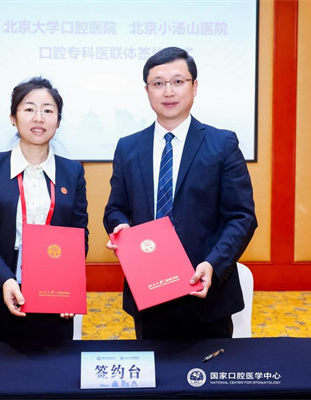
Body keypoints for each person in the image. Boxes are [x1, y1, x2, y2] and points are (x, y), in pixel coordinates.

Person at [104, 47, 257, 340]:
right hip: (148, 291)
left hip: (206, 292)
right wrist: (120, 226)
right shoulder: (128, 147)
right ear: (147, 91)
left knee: (212, 367)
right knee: (153, 367)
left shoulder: (222, 143)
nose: (168, 91)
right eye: (158, 83)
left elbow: (242, 217)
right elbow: (115, 208)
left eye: (178, 81)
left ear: (194, 86)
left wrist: (213, 264)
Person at [0, 77, 88, 341]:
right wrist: (4, 280)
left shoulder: (73, 172)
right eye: (29, 109)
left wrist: (67, 284)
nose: (38, 117)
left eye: (48, 110)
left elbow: (79, 234)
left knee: (52, 363)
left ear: (58, 121)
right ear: (13, 117)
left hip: (53, 291)